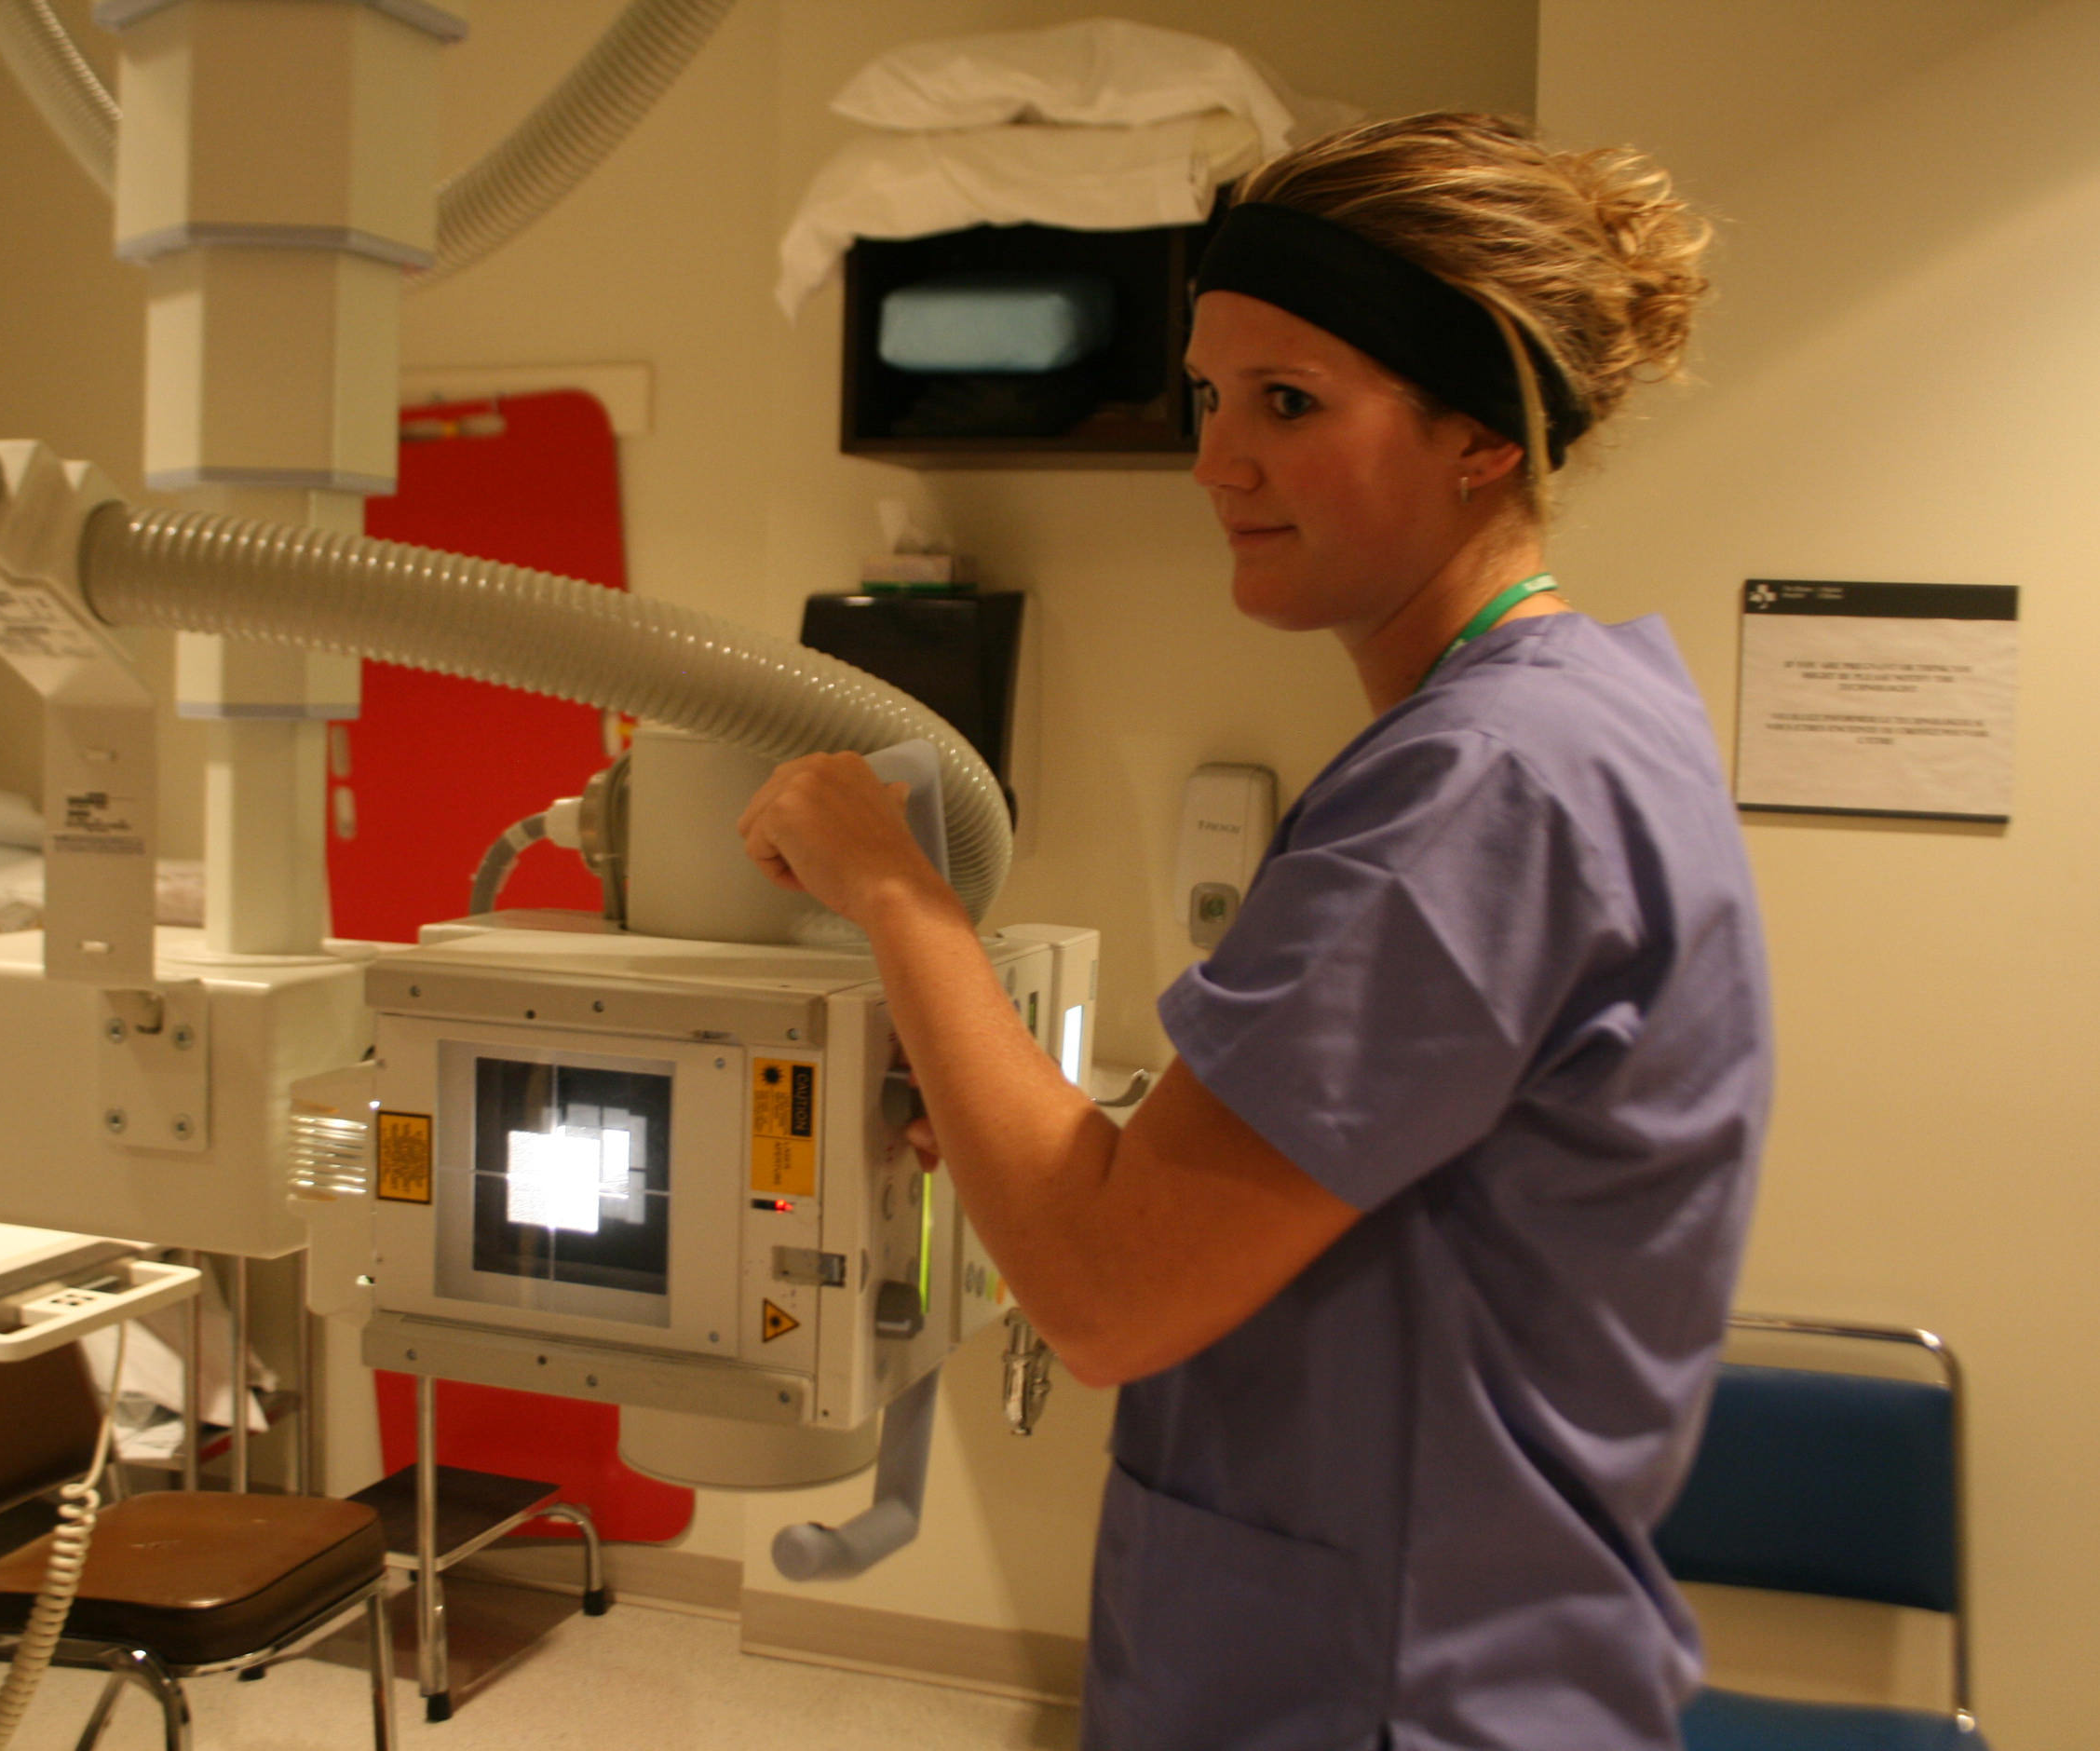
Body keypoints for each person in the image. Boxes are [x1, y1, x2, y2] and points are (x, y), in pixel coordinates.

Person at [738, 112, 1770, 1751]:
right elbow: (1389, 1184)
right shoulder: (1577, 723)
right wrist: (1049, 1134)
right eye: (1209, 399)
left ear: (1481, 439)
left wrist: (892, 889)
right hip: (1414, 1647)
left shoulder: (1481, 786)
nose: (1217, 460)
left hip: (1384, 1688)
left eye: (1290, 404)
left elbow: (1105, 1300)